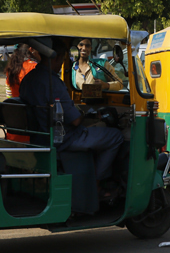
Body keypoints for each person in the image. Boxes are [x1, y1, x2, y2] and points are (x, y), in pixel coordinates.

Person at [20, 38, 124, 210]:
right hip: (64, 139)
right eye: (62, 59)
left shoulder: (28, 79)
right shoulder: (54, 83)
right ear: (56, 57)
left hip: (39, 137)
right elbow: (75, 121)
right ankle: (96, 187)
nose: (63, 64)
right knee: (115, 137)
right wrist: (85, 114)